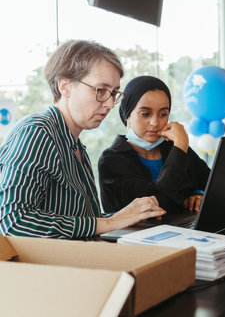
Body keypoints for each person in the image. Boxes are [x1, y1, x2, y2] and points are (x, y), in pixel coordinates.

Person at [0, 40, 165, 239]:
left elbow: (83, 222)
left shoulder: (75, 145)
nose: (111, 104)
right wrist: (111, 222)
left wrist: (125, 217)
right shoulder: (37, 132)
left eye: (114, 93)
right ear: (65, 86)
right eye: (101, 91)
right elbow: (13, 222)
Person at [99, 76, 210, 216]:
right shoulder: (111, 160)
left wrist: (199, 195)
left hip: (185, 232)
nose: (155, 122)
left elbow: (212, 183)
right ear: (127, 115)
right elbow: (157, 203)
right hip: (137, 236)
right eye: (145, 114)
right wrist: (180, 146)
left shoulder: (172, 148)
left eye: (163, 114)